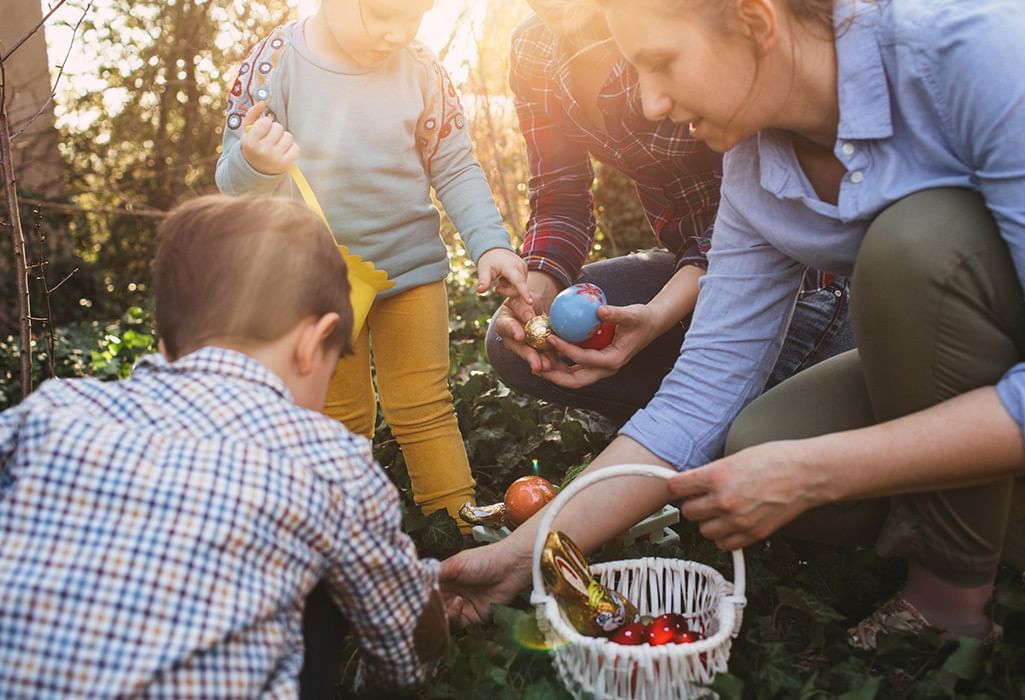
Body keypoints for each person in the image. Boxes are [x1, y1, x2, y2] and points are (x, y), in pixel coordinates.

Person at [442, 0, 1025, 650]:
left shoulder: (973, 48)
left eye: (661, 65)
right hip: (973, 358)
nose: (650, 103)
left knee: (915, 248)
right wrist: (519, 556)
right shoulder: (754, 168)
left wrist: (816, 471)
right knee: (757, 440)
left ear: (754, 20)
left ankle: (949, 594)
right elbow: (694, 403)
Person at [0, 195, 448, 696]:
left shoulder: (54, 410)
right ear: (311, 344)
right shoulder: (328, 459)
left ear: (165, 339)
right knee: (323, 575)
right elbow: (405, 643)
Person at [215, 0, 531, 527]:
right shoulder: (274, 64)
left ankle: (456, 524)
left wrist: (488, 242)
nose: (396, 33)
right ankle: (344, 535)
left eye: (413, 16)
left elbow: (452, 165)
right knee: (337, 416)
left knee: (425, 404)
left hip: (412, 274)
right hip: (314, 286)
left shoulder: (423, 71)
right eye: (381, 14)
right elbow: (232, 182)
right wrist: (256, 161)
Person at [487, 0, 853, 427]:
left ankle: (733, 415)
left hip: (793, 279)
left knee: (728, 429)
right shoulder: (534, 50)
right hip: (691, 271)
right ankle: (688, 422)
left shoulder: (673, 24)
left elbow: (756, 212)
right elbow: (560, 197)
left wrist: (661, 315)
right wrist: (534, 297)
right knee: (505, 345)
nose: (653, 101)